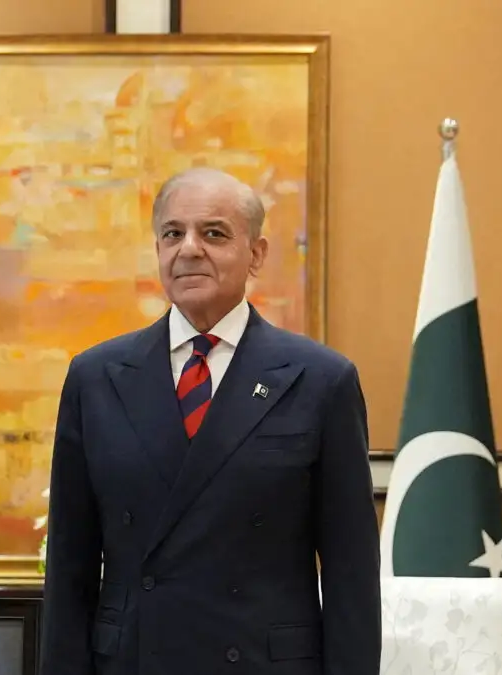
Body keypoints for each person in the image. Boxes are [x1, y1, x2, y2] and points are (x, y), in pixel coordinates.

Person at [38, 167, 381, 675]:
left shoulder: (320, 380)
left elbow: (351, 572)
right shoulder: (96, 377)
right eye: (173, 233)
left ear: (256, 254)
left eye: (214, 234)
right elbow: (70, 565)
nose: (189, 249)